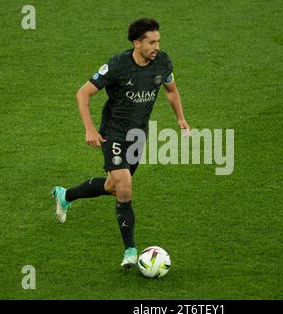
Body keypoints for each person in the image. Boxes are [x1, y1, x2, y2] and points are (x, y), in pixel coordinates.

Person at [52, 18, 190, 269]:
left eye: (158, 41)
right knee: (125, 186)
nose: (156, 46)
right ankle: (130, 250)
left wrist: (180, 118)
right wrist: (90, 129)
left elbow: (171, 90)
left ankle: (65, 195)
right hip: (113, 133)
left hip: (138, 136)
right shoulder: (118, 65)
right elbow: (82, 93)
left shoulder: (162, 61)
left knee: (113, 187)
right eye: (151, 42)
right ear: (137, 43)